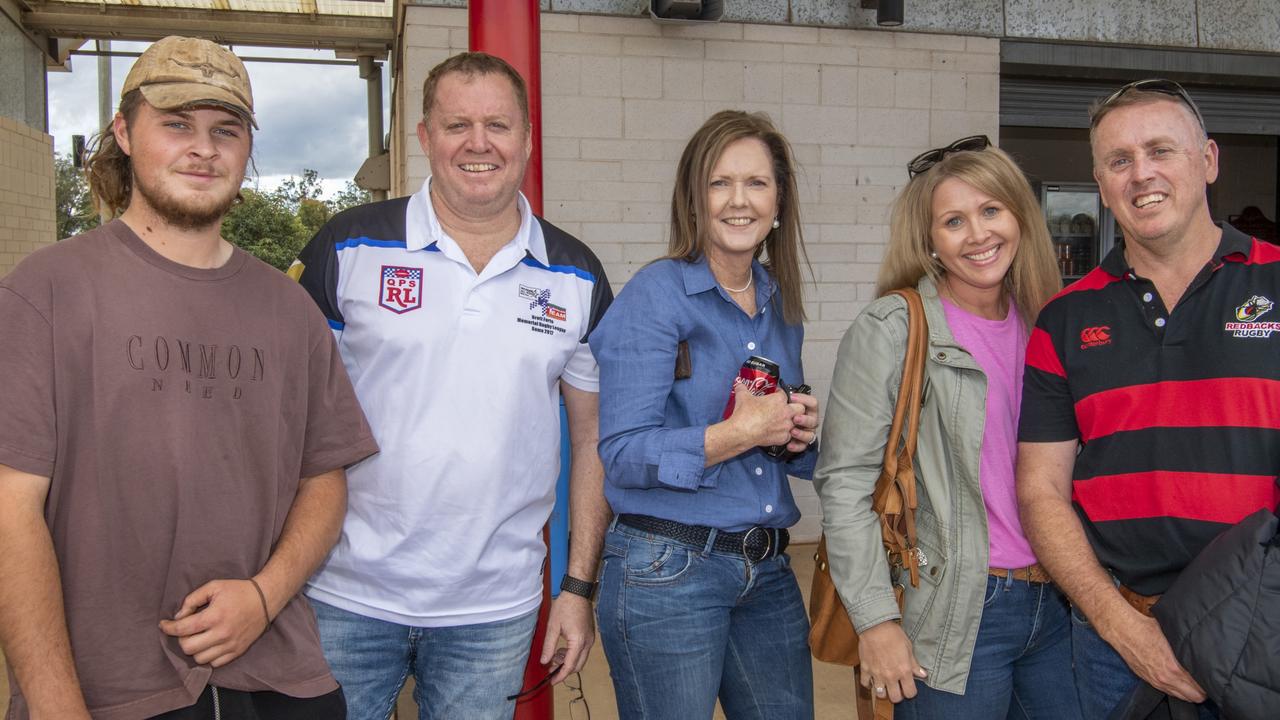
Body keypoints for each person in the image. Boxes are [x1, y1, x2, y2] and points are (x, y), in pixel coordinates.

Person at [0, 36, 378, 720]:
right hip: (111, 690)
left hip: (278, 678)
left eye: (224, 131)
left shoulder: (287, 310)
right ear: (124, 131)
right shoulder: (46, 291)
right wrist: (57, 706)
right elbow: (10, 510)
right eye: (176, 124)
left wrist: (265, 594)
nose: (203, 149)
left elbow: (323, 479)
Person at [291, 52, 613, 720]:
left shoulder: (575, 274)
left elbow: (593, 442)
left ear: (526, 139)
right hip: (343, 592)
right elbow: (287, 419)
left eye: (497, 124)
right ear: (425, 137)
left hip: (492, 609)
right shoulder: (349, 248)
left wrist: (576, 588)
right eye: (456, 124)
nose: (478, 143)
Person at [1017, 78, 1280, 719]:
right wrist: (1118, 624)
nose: (1142, 174)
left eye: (1161, 150)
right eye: (1119, 160)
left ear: (1209, 160)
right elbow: (1040, 491)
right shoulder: (1064, 320)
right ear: (1102, 183)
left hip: (1263, 631)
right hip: (1117, 643)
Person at [814, 138, 1072, 719]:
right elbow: (845, 484)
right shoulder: (893, 327)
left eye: (991, 211)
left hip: (1057, 602)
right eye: (953, 221)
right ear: (929, 240)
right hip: (958, 608)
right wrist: (877, 619)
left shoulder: (1048, 323)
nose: (978, 235)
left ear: (1019, 217)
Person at [588, 110, 821, 720]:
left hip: (768, 568)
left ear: (779, 200)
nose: (739, 201)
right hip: (668, 569)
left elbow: (777, 441)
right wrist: (739, 433)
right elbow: (623, 452)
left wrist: (796, 433)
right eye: (720, 183)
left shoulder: (778, 301)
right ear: (694, 197)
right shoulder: (657, 294)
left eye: (757, 183)